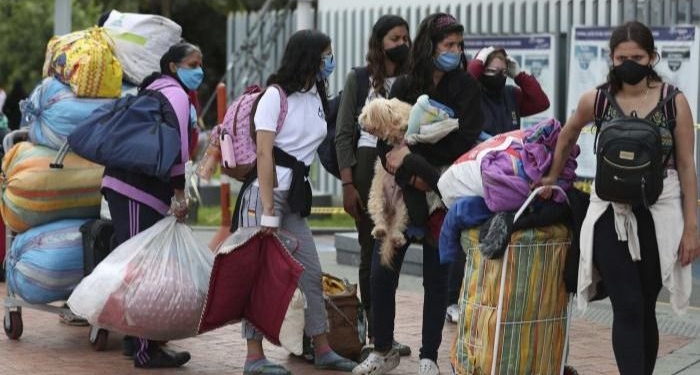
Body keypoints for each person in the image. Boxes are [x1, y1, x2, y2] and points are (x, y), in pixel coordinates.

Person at [539, 21, 699, 375]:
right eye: (622, 57)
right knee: (626, 303)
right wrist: (551, 176)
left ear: (652, 56)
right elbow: (567, 136)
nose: (630, 63)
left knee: (644, 305)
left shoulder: (675, 103)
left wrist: (691, 227)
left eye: (638, 56)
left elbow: (687, 166)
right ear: (611, 58)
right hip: (610, 213)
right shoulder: (595, 99)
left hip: (660, 214)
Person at [353, 13, 483, 375]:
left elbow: (467, 137)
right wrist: (402, 167)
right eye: (448, 45)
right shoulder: (405, 84)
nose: (455, 52)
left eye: (459, 45)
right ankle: (382, 350)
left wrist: (425, 168)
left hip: (443, 190)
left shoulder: (466, 88)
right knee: (383, 272)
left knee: (437, 275)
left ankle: (429, 355)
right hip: (402, 191)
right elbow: (385, 133)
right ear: (430, 46)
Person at [233, 29, 357, 375]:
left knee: (310, 273)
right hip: (265, 195)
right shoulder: (275, 96)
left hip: (295, 196)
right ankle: (253, 357)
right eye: (325, 55)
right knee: (258, 275)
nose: (330, 62)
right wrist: (269, 207)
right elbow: (263, 152)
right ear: (309, 57)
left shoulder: (316, 95)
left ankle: (322, 348)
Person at [102, 41, 202, 369]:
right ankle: (146, 351)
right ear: (174, 66)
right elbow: (177, 150)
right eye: (192, 63)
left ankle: (137, 341)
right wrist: (179, 193)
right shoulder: (173, 94)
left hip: (138, 189)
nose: (199, 69)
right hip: (135, 190)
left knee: (140, 264)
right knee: (140, 267)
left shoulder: (157, 89)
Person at [443, 45, 551, 323]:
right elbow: (468, 80)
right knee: (464, 225)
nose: (498, 76)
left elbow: (540, 102)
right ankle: (452, 298)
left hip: (507, 176)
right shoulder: (472, 94)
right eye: (491, 70)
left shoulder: (510, 95)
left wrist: (519, 74)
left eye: (503, 71)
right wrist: (479, 63)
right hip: (477, 173)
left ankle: (493, 296)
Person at [334, 14, 412, 356]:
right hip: (368, 168)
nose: (402, 44)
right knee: (372, 249)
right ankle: (373, 334)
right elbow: (343, 134)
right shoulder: (360, 78)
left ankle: (386, 333)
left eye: (406, 38)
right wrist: (348, 183)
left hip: (406, 166)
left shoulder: (413, 79)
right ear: (379, 42)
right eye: (395, 38)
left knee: (393, 251)